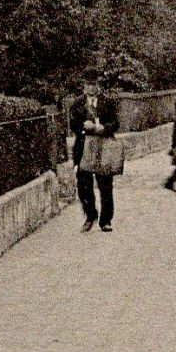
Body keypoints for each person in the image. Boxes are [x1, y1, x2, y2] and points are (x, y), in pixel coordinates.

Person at [70, 72, 121, 232]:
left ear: (98, 85)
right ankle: (90, 215)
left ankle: (106, 220)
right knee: (83, 186)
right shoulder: (77, 103)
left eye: (94, 84)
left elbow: (116, 123)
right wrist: (82, 126)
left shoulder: (108, 102)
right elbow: (72, 125)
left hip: (103, 147)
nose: (91, 88)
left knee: (105, 185)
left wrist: (104, 128)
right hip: (84, 147)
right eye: (88, 84)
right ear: (84, 86)